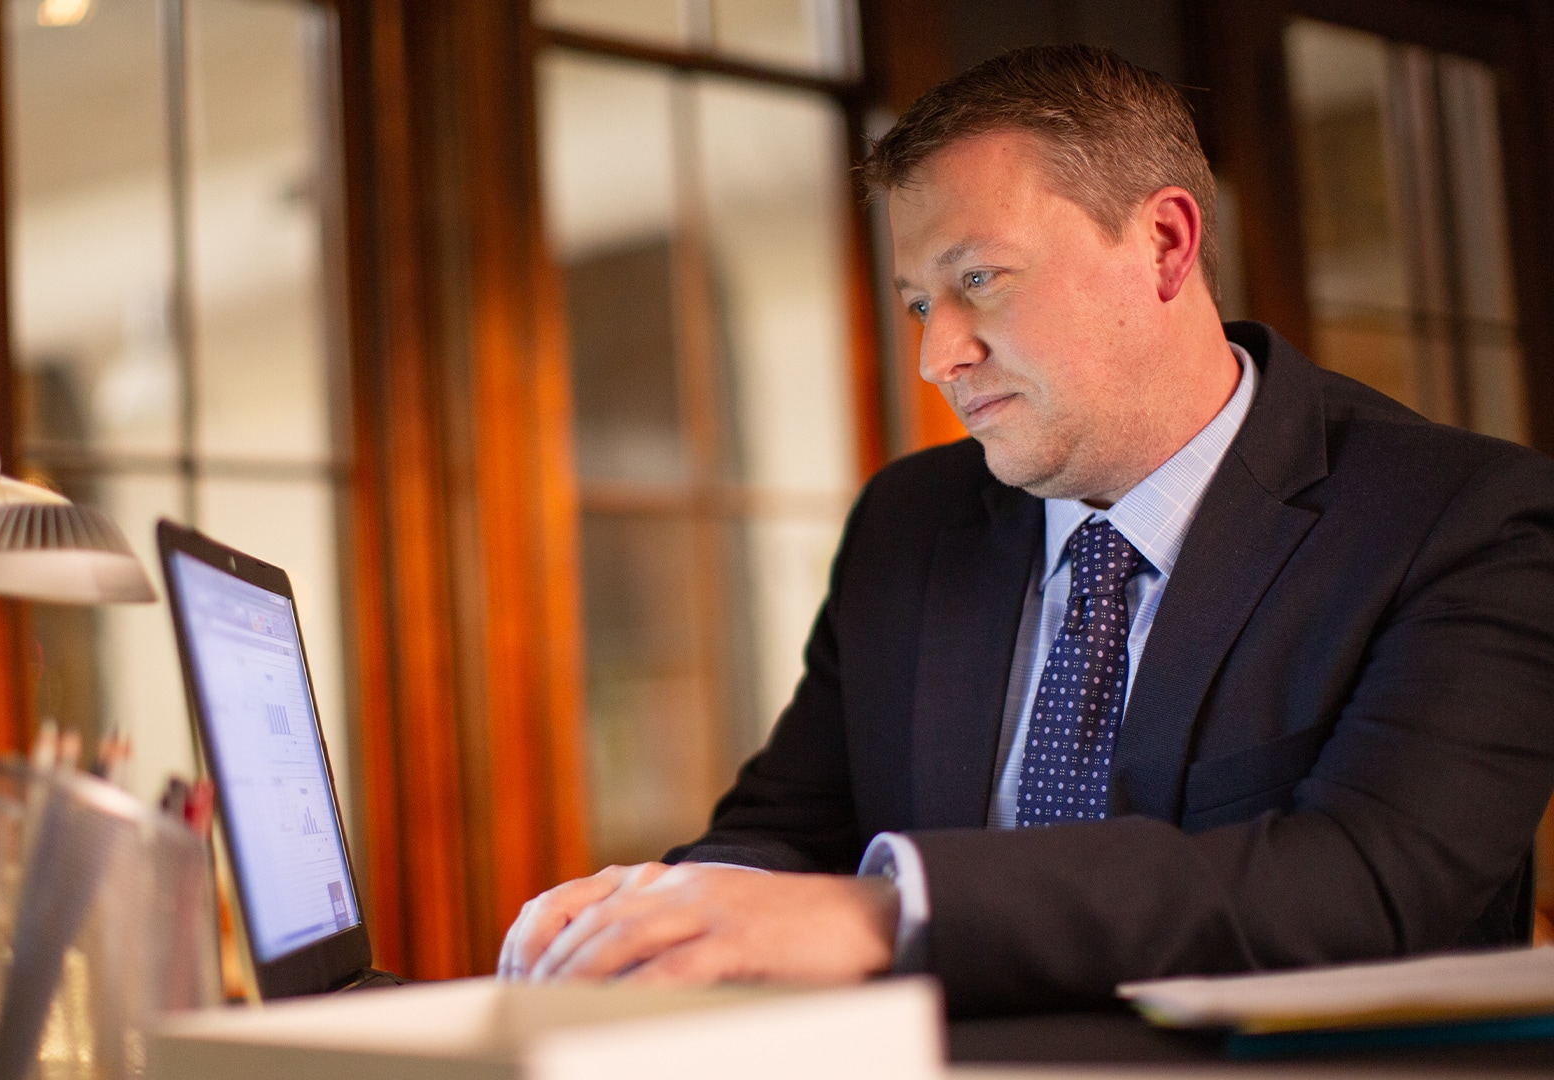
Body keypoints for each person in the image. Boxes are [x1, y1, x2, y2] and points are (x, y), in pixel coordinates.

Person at [498, 44, 1554, 1014]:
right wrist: (672, 906)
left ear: (1166, 245)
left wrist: (884, 912)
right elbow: (791, 819)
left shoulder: (1467, 521)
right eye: (919, 304)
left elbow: (1370, 883)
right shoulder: (907, 524)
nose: (937, 357)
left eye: (978, 280)